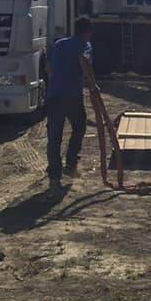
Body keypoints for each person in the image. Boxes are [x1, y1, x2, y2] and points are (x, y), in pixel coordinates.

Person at [45, 15, 94, 191]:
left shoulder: (59, 44)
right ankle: (71, 164)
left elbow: (48, 68)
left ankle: (54, 178)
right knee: (79, 127)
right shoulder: (85, 45)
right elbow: (84, 62)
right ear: (87, 33)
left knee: (54, 137)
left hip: (54, 96)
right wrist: (92, 84)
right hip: (72, 97)